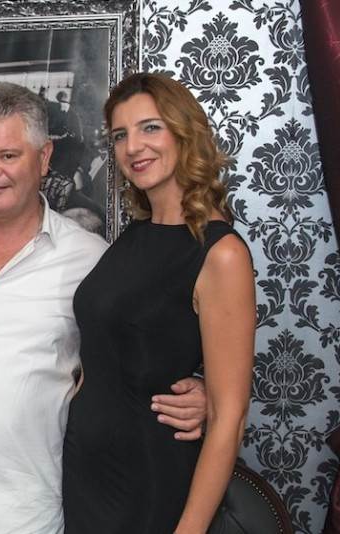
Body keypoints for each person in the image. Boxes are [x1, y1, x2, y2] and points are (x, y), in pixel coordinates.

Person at [0, 82, 209, 534]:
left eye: (8, 155)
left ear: (44, 158)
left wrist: (199, 393)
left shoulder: (91, 260)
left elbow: (134, 359)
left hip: (33, 517)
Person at [62, 72, 255, 533]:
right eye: (120, 135)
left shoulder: (221, 253)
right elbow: (110, 351)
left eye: (150, 127)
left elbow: (229, 417)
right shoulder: (136, 235)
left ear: (185, 132)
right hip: (86, 477)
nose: (133, 147)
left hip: (147, 481)